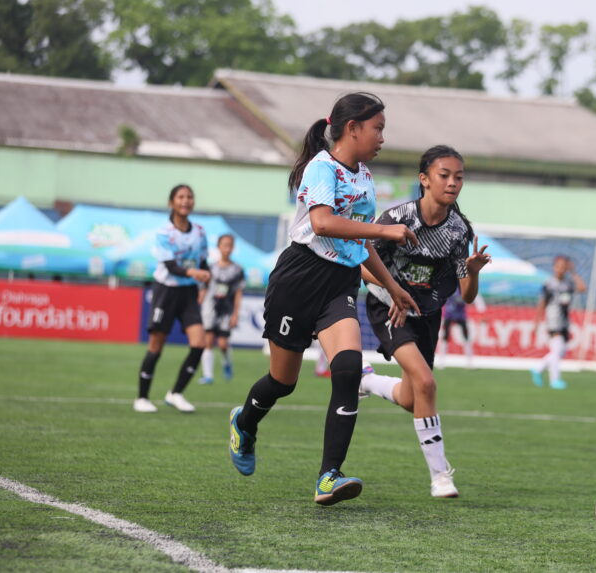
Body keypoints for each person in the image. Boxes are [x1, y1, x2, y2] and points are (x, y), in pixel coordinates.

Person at [227, 92, 420, 506]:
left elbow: (358, 241)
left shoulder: (365, 177)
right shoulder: (321, 167)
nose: (383, 137)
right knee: (283, 381)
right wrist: (385, 231)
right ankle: (244, 423)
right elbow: (323, 222)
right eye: (378, 128)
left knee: (348, 368)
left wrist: (390, 286)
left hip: (339, 284)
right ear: (352, 129)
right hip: (298, 279)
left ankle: (328, 477)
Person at [358, 145, 491, 498]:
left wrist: (473, 272)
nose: (452, 183)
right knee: (427, 383)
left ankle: (367, 382)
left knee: (411, 397)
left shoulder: (459, 231)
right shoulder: (396, 218)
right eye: (444, 175)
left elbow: (467, 294)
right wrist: (393, 290)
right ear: (424, 179)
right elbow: (361, 264)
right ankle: (440, 476)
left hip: (428, 315)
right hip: (389, 308)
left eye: (458, 177)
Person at [134, 184, 211, 413]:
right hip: (166, 291)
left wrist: (204, 283)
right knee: (156, 345)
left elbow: (204, 262)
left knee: (199, 343)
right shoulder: (163, 233)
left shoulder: (199, 232)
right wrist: (194, 273)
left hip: (188, 293)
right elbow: (171, 266)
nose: (186, 201)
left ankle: (175, 393)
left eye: (189, 197)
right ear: (171, 202)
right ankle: (142, 397)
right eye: (181, 197)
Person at [530, 255, 587, 390]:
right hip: (553, 320)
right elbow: (542, 304)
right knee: (557, 349)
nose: (561, 269)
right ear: (554, 267)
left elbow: (582, 288)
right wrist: (536, 323)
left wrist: (573, 272)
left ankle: (538, 368)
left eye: (564, 266)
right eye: (559, 266)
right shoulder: (549, 284)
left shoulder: (568, 283)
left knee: (561, 351)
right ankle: (555, 380)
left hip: (564, 321)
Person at [197, 234, 245, 385]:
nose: (227, 248)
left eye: (230, 245)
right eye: (224, 245)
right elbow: (204, 287)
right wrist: (199, 299)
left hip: (226, 310)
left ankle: (227, 364)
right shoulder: (210, 268)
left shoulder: (237, 270)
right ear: (218, 247)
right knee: (208, 340)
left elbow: (238, 292)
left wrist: (236, 314)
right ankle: (208, 375)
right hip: (210, 308)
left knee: (223, 344)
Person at [436, 288, 486, 369]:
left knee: (466, 338)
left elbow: (476, 297)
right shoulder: (450, 285)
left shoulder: (464, 287)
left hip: (461, 315)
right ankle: (441, 361)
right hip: (449, 315)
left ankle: (470, 362)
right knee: (445, 337)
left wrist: (481, 310)